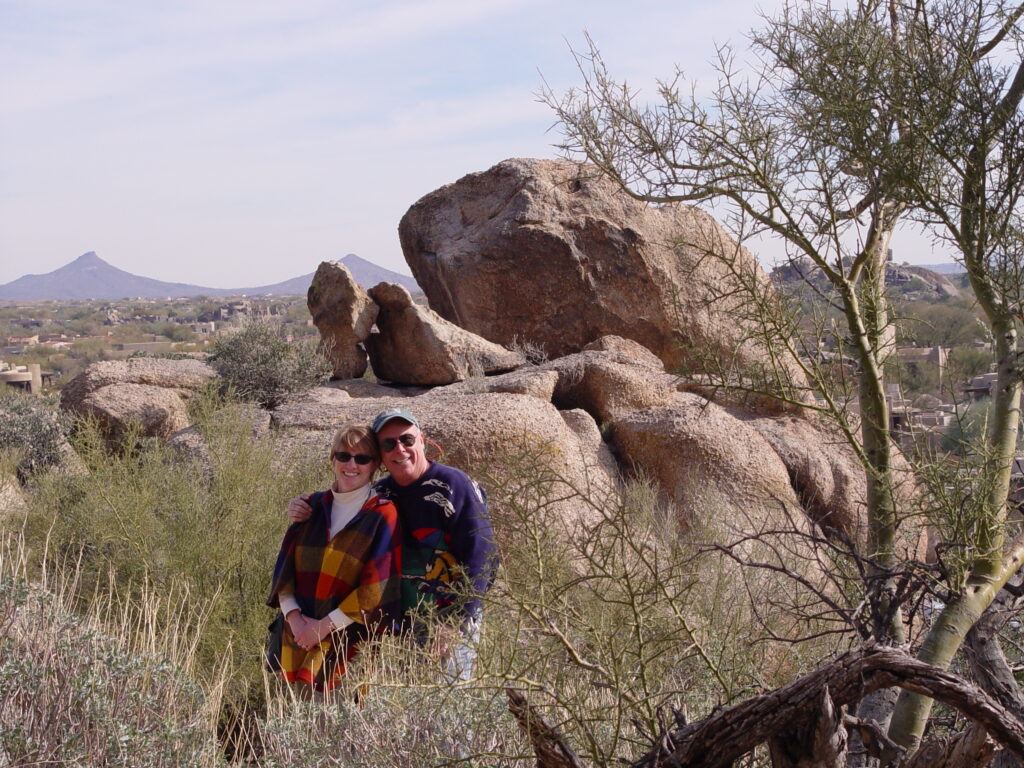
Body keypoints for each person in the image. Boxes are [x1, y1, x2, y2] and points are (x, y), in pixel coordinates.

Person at [288, 407, 496, 679]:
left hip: (447, 620)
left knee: (448, 697)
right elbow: (342, 505)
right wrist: (306, 506)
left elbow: (483, 557)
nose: (400, 449)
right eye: (388, 444)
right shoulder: (382, 494)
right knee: (405, 700)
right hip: (400, 626)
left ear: (422, 440)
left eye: (407, 439)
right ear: (381, 456)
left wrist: (455, 623)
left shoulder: (453, 484)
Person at [267, 423, 401, 692]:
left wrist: (322, 628)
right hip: (295, 641)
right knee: (290, 714)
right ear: (332, 459)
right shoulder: (312, 506)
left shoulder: (382, 514)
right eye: (344, 456)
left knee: (336, 716)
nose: (351, 465)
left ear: (375, 465)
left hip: (346, 650)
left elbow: (376, 588)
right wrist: (296, 621)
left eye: (362, 458)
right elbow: (284, 572)